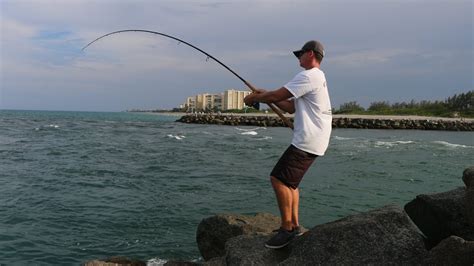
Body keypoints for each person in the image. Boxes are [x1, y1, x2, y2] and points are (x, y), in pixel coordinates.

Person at [244, 40, 332, 249]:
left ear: (310, 54)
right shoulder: (317, 77)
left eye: (300, 54)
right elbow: (290, 106)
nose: (298, 58)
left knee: (278, 179)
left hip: (308, 139)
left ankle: (287, 230)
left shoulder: (309, 75)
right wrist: (266, 97)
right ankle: (294, 225)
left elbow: (277, 95)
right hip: (314, 138)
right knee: (289, 182)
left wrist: (254, 98)